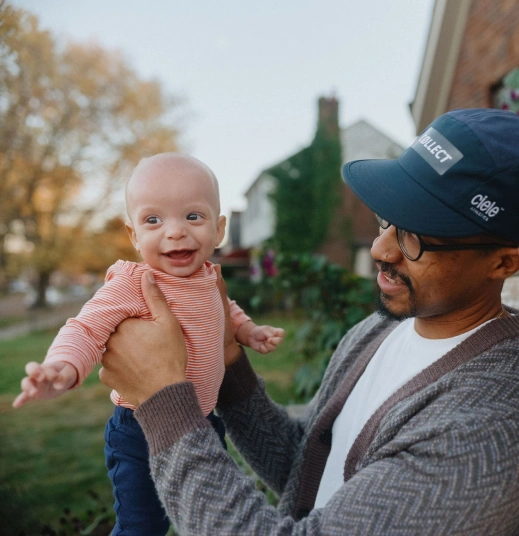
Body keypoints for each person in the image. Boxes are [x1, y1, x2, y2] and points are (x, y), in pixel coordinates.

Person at [99, 108, 519, 535]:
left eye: (415, 237)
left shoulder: (489, 432)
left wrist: (164, 402)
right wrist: (226, 360)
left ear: (504, 261)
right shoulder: (379, 330)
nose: (380, 248)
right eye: (387, 218)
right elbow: (302, 469)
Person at [12, 153, 285, 536]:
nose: (175, 232)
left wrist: (248, 331)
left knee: (206, 513)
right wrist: (64, 366)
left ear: (219, 228)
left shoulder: (208, 276)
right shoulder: (134, 283)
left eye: (193, 216)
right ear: (133, 236)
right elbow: (87, 328)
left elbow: (226, 310)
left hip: (200, 420)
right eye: (153, 220)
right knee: (143, 526)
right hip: (139, 428)